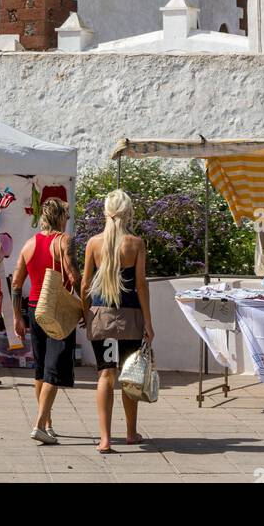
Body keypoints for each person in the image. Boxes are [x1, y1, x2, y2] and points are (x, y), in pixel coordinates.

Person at [81, 189, 154, 454]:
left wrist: (84, 311)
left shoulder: (94, 243)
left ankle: (105, 439)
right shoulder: (136, 244)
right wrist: (148, 322)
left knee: (105, 374)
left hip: (102, 317)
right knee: (129, 376)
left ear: (106, 211)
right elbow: (141, 286)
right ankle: (132, 432)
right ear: (128, 212)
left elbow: (85, 283)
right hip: (131, 319)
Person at [11, 197, 82, 445]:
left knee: (40, 369)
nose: (68, 220)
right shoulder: (64, 241)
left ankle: (48, 423)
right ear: (60, 217)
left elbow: (16, 283)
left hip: (33, 308)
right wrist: (85, 306)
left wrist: (17, 316)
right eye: (67, 216)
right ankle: (40, 424)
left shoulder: (29, 244)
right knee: (55, 367)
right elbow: (73, 275)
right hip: (55, 309)